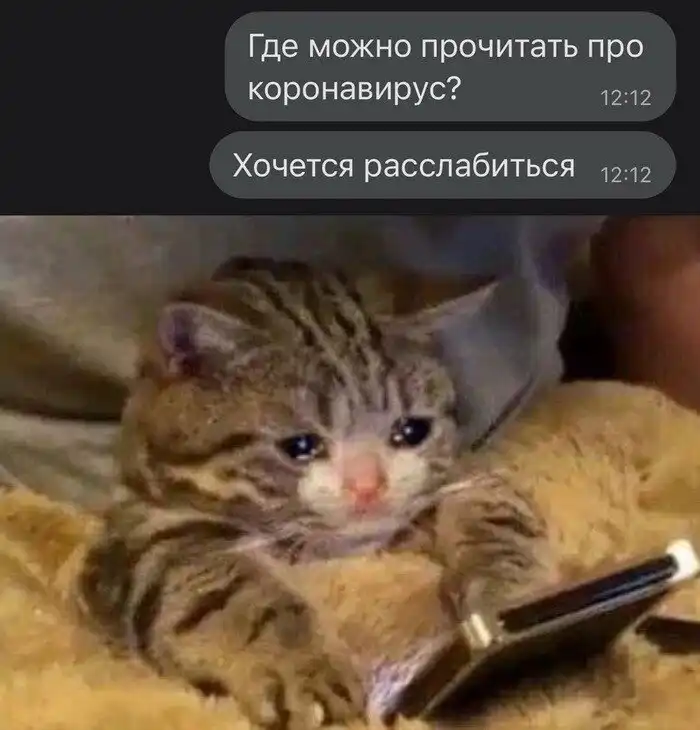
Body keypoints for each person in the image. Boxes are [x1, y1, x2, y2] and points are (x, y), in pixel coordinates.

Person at [0, 214, 605, 508]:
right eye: (301, 445)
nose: (369, 489)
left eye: (406, 431)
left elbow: (656, 252)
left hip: (506, 454)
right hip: (60, 505)